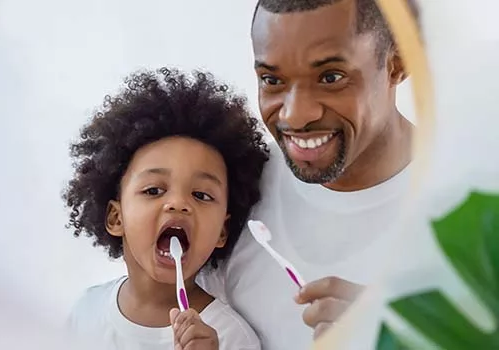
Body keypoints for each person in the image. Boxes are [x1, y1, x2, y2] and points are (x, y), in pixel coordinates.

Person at [198, 0, 419, 349]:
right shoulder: (228, 190)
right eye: (272, 80)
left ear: (397, 64)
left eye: (331, 78)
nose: (296, 116)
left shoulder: (472, 198)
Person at [63, 67, 269, 350]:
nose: (178, 203)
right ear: (115, 217)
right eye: (153, 190)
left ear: (222, 230)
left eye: (201, 194)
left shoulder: (229, 337)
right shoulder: (86, 311)